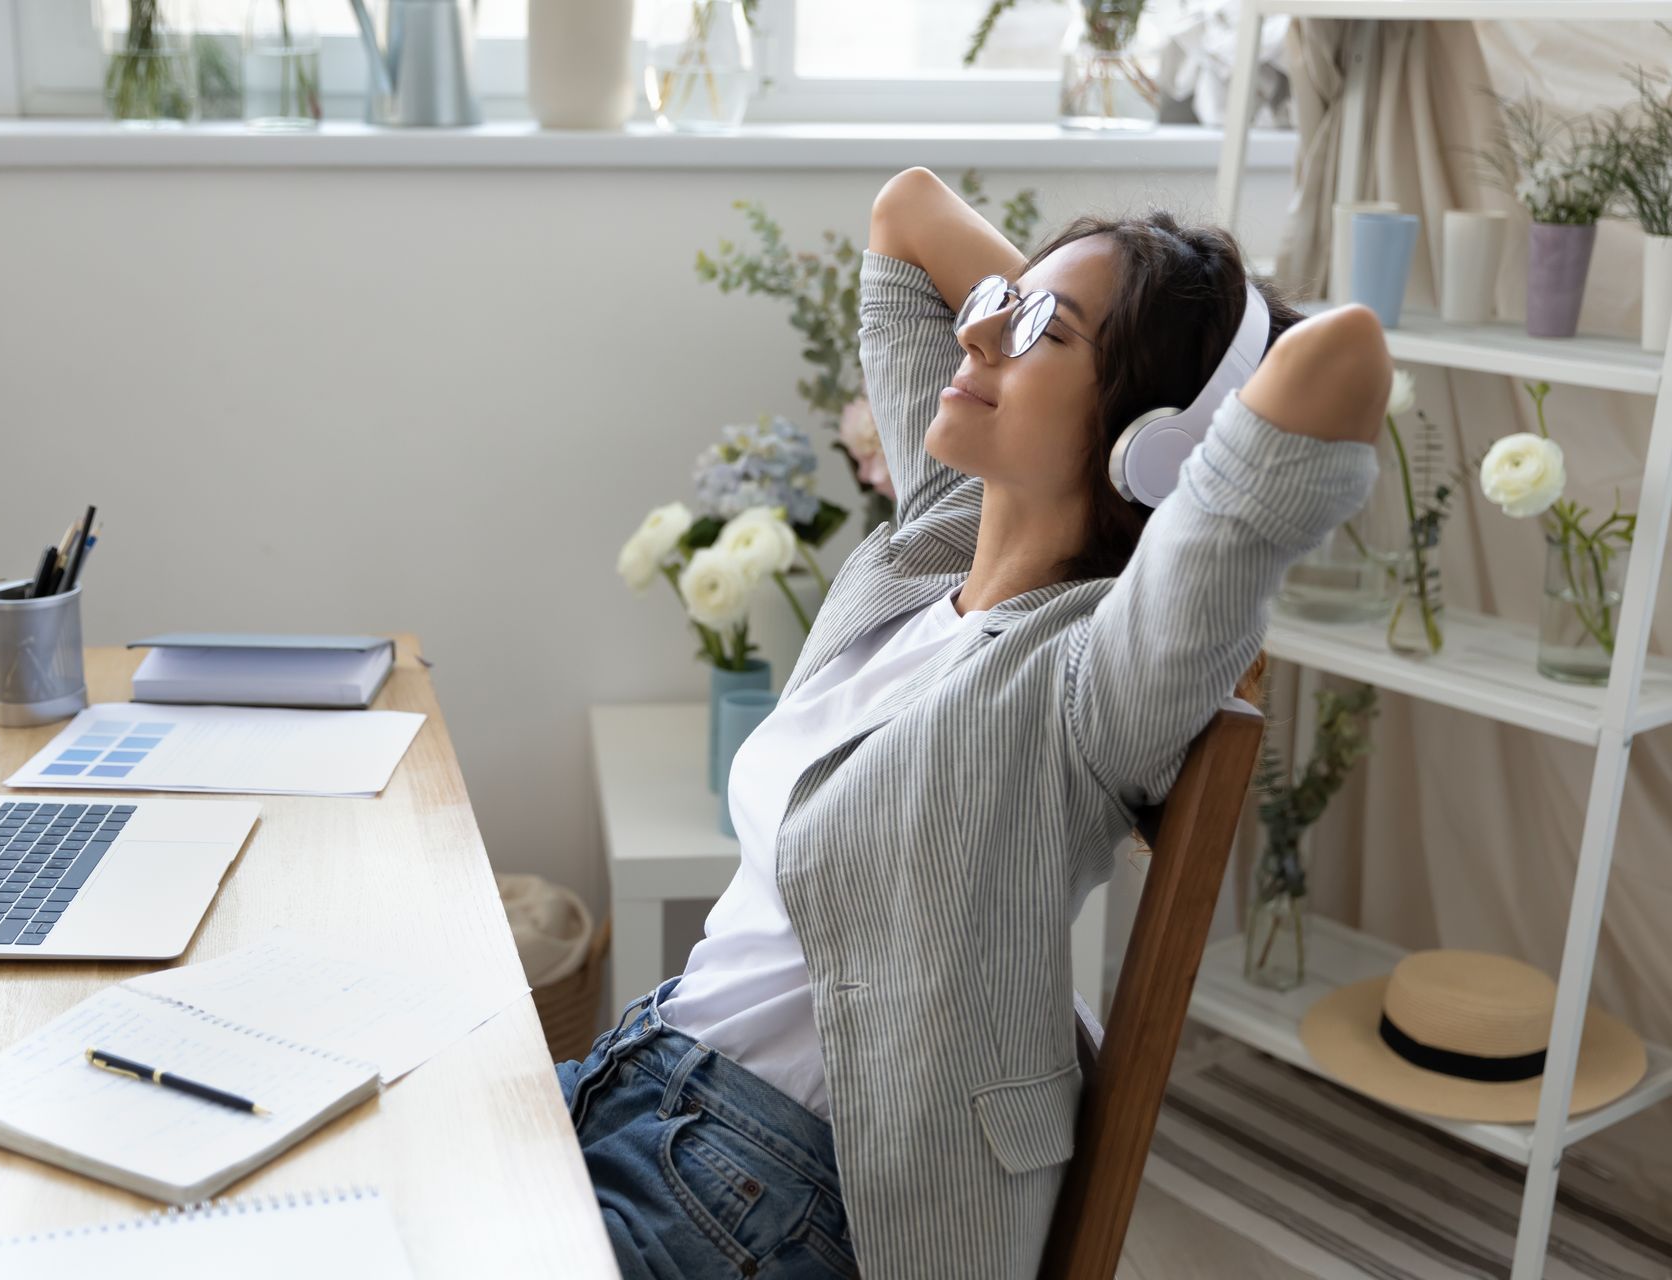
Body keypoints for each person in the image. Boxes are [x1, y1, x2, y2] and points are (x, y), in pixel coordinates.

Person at [559, 166, 1391, 1280]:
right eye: (996, 306)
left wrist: (1188, 421)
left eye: (1043, 327)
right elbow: (909, 213)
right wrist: (1040, 312)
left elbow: (1343, 355)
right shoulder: (934, 546)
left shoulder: (1103, 671)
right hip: (644, 1070)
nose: (983, 331)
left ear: (1154, 437)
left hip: (766, 1191)